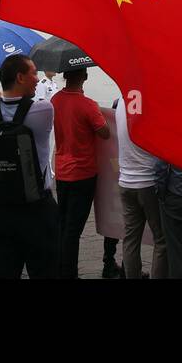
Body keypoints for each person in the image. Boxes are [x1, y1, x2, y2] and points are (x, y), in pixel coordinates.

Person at [0, 32, 59, 279]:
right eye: (33, 73)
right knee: (45, 270)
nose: (38, 79)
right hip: (37, 209)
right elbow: (32, 101)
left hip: (1, 210)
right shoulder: (43, 110)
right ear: (20, 77)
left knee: (5, 270)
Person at [51, 67, 110, 278]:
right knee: (73, 230)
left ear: (65, 76)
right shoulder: (88, 105)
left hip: (62, 171)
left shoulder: (55, 100)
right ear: (84, 77)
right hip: (83, 174)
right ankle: (68, 272)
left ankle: (59, 267)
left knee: (63, 223)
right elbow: (105, 132)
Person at [116, 99, 166, 279]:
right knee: (161, 240)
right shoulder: (151, 100)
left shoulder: (122, 100)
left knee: (131, 238)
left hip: (126, 181)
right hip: (148, 182)